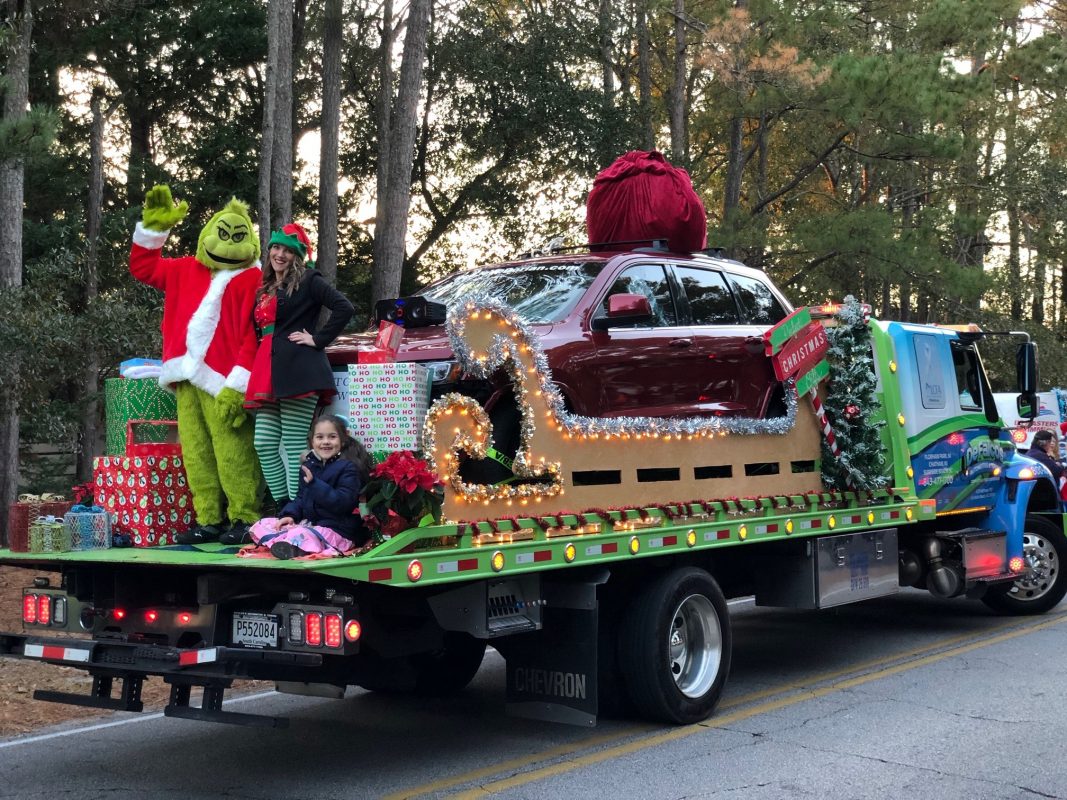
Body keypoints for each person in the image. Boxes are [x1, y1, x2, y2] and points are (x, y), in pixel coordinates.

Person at [233, 223, 354, 544]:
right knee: (264, 442)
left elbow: (344, 307)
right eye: (276, 248)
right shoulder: (266, 286)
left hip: (300, 370)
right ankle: (284, 506)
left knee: (292, 443)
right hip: (268, 371)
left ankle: (298, 509)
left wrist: (318, 339)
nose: (280, 254)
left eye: (287, 250)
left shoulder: (310, 281)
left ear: (298, 255)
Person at [248, 415, 371, 559]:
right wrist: (290, 515)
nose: (325, 442)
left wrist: (314, 484)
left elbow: (343, 503)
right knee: (264, 524)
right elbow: (301, 498)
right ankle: (289, 545)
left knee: (302, 534)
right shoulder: (309, 466)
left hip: (338, 531)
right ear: (312, 441)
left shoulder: (348, 468)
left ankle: (292, 546)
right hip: (311, 525)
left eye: (332, 437)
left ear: (343, 441)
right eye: (320, 437)